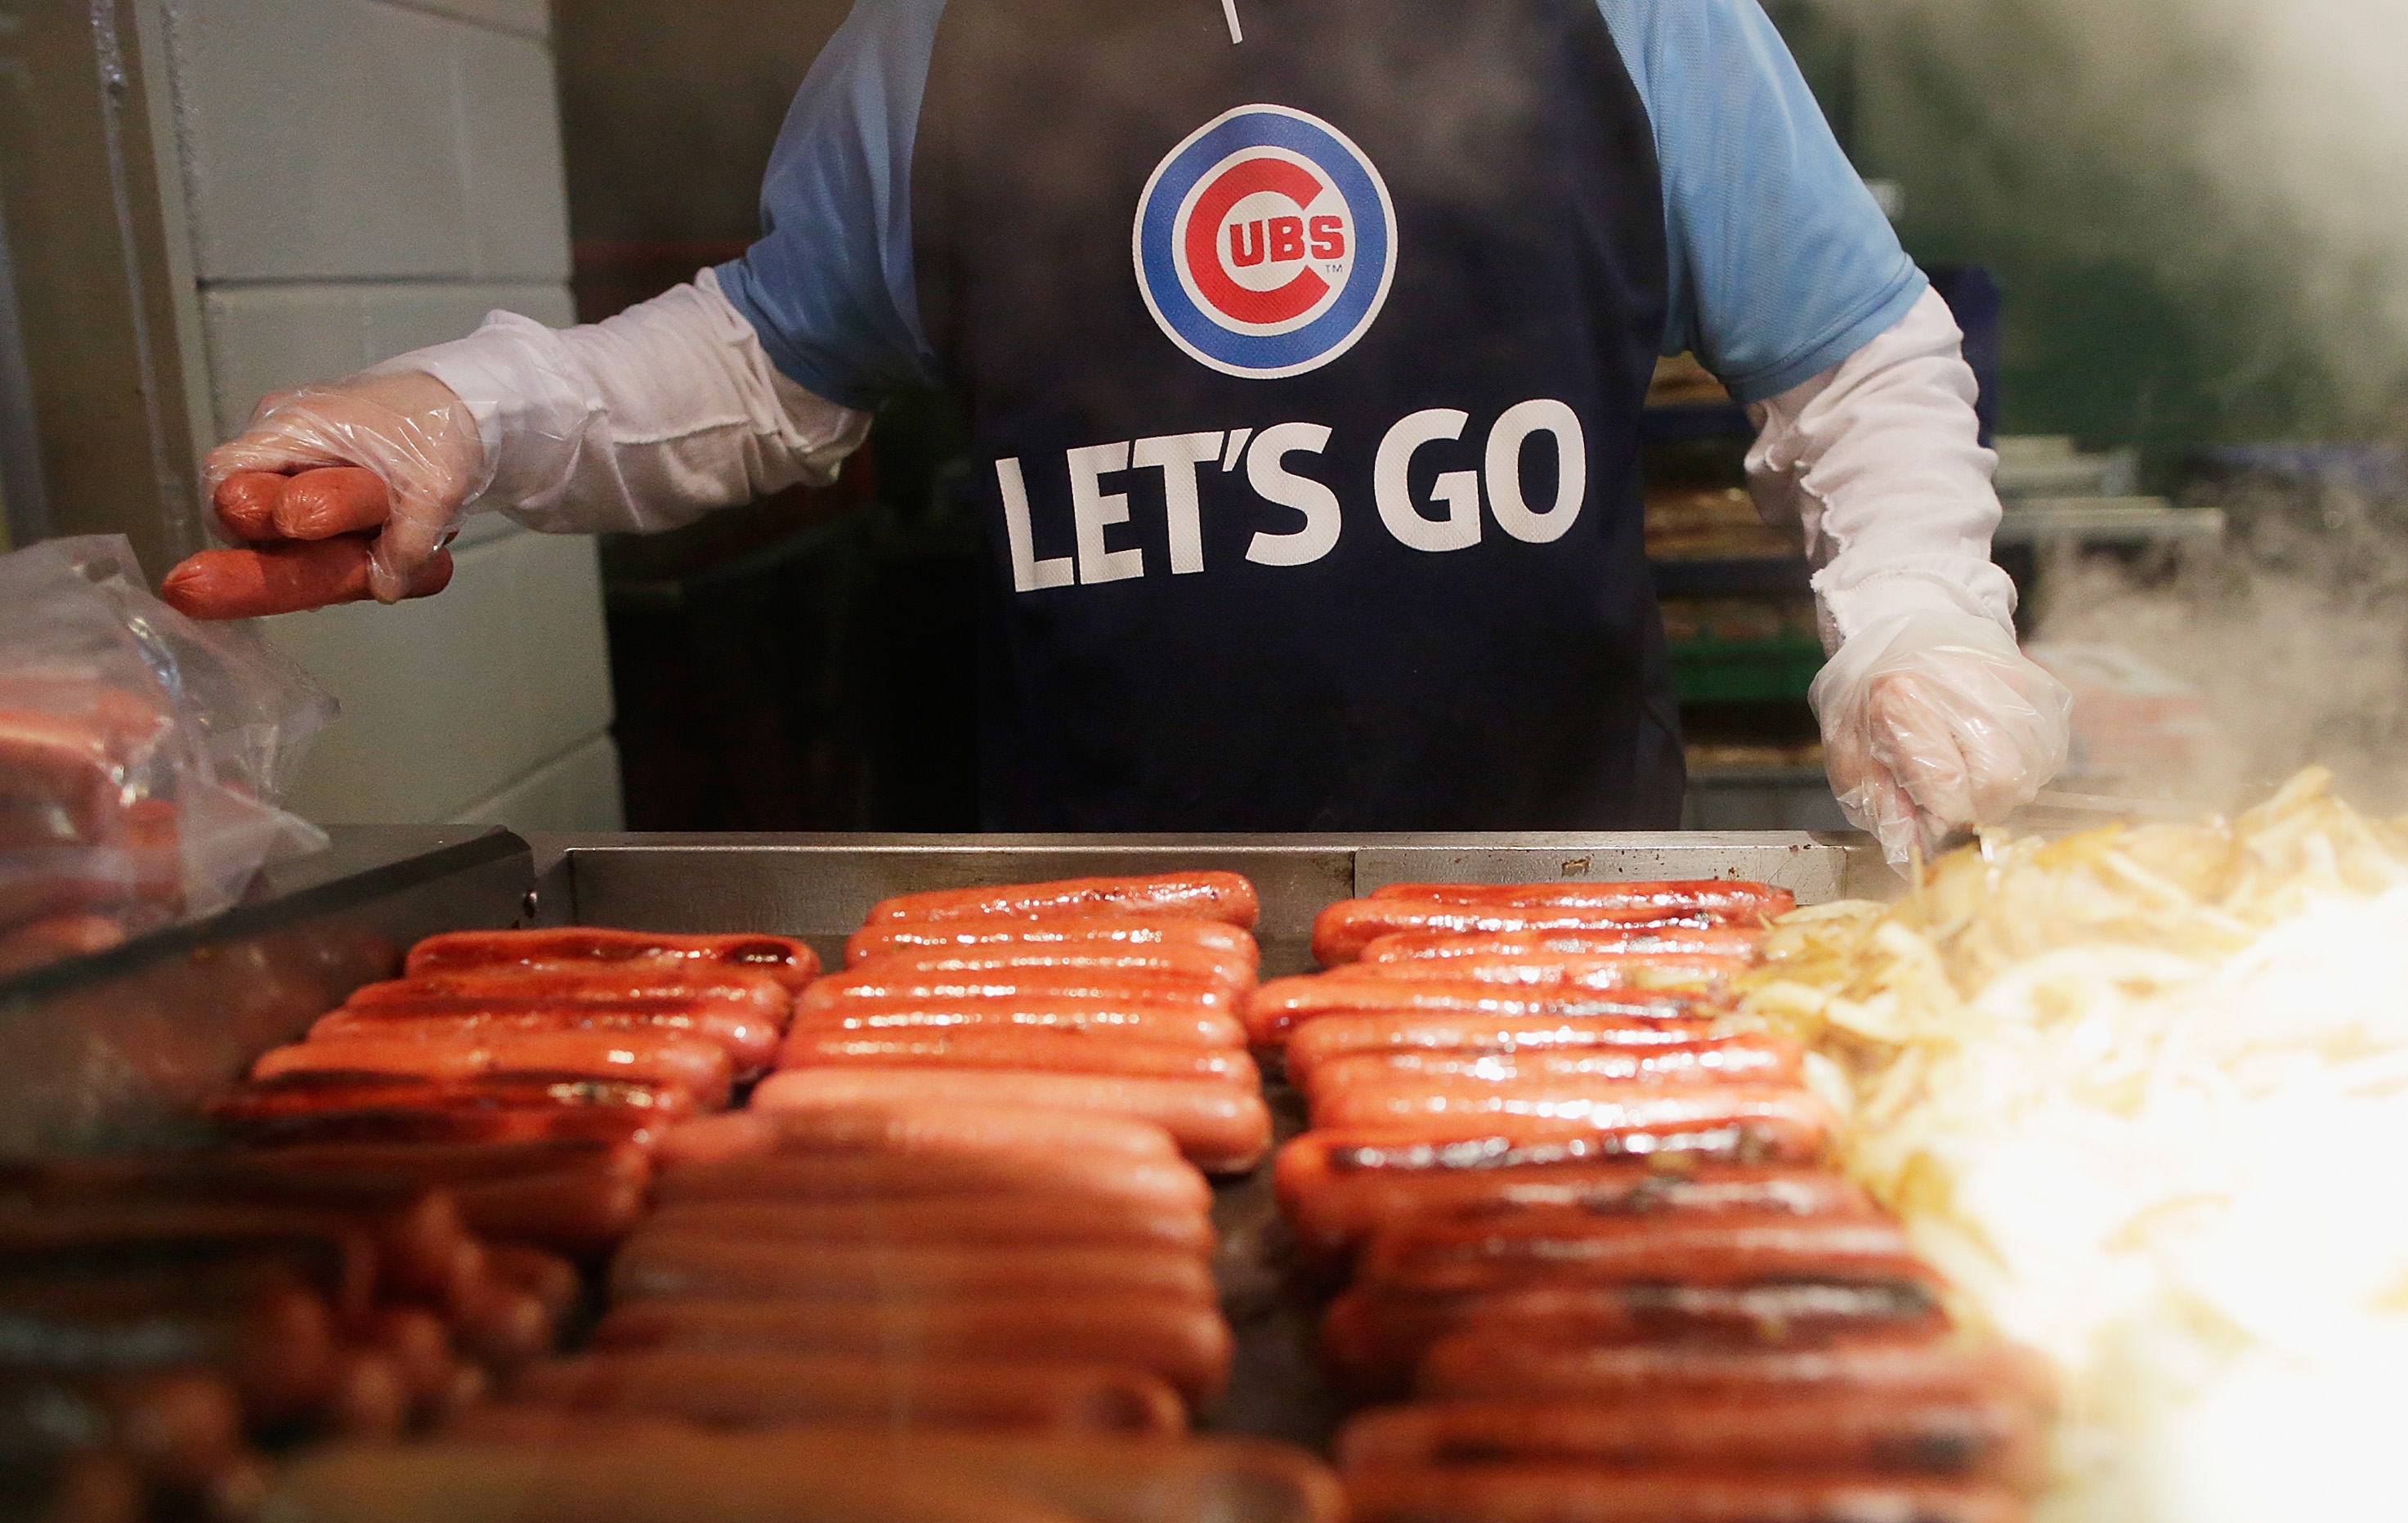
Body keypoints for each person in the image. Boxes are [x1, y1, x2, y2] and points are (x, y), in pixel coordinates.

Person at [205, 0, 2068, 858]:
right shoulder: (931, 41)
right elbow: (769, 366)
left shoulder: (1631, 13)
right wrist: (464, 406)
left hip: (1560, 892)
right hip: (1104, 929)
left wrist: (1917, 618)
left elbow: (1854, 351)